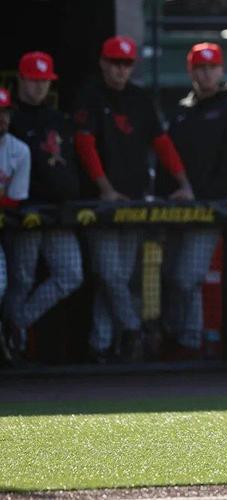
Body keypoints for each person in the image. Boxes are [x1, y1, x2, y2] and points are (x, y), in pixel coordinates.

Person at [72, 35, 195, 363]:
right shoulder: (90, 94)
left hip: (135, 200)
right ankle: (131, 329)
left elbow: (161, 142)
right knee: (109, 275)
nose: (120, 69)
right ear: (103, 63)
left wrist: (184, 182)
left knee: (117, 278)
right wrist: (105, 189)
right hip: (102, 204)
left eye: (126, 64)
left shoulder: (139, 98)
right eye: (115, 62)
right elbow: (84, 144)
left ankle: (101, 346)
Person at [157, 42, 227, 360]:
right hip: (176, 208)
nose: (206, 73)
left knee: (187, 277)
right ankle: (179, 337)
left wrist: (201, 194)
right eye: (200, 67)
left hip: (210, 209)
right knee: (171, 275)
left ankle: (191, 339)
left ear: (221, 70)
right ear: (191, 71)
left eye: (212, 67)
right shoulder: (182, 110)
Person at [3, 52, 83, 363]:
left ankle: (14, 324)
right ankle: (14, 343)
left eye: (44, 81)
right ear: (21, 80)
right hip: (25, 214)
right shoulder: (11, 119)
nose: (38, 87)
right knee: (21, 279)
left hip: (59, 212)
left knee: (71, 274)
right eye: (33, 81)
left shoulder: (57, 118)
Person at [0, 88, 31, 365]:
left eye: (5, 112)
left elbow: (13, 201)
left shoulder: (18, 150)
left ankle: (11, 334)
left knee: (5, 283)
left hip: (6, 229)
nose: (2, 119)